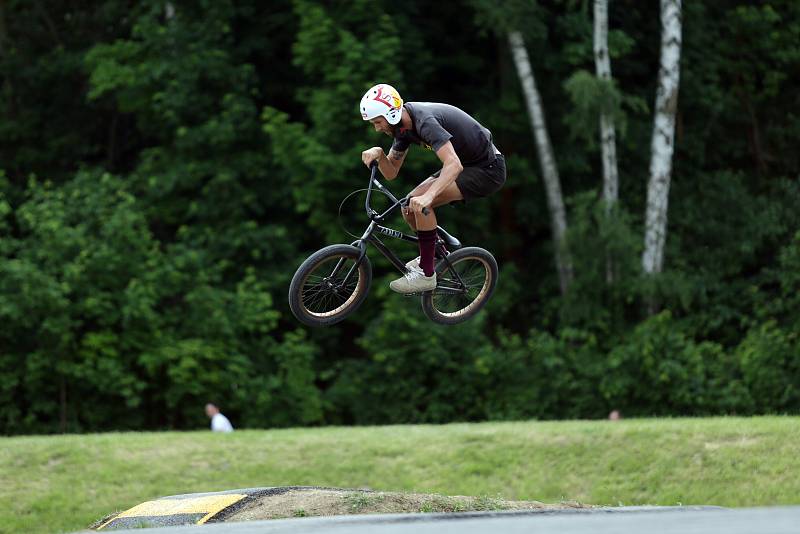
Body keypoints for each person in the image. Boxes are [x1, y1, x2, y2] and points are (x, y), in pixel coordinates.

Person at [359, 83, 506, 294]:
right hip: (465, 165)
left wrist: (428, 196)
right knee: (408, 206)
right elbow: (391, 172)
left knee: (421, 203)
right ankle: (436, 254)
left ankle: (427, 274)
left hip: (487, 170)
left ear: (391, 114)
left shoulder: (425, 122)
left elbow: (454, 165)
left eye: (377, 122)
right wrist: (380, 154)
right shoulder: (403, 128)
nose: (377, 128)